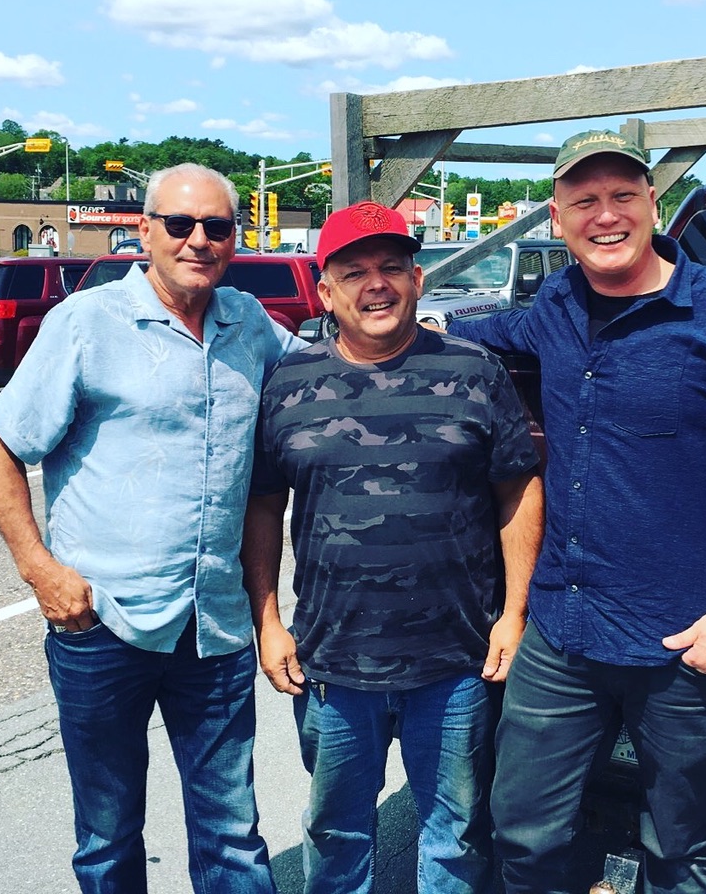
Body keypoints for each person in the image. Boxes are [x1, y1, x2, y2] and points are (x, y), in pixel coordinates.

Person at [449, 130, 706, 894]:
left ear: (652, 205)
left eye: (623, 196)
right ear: (556, 219)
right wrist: (421, 333)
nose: (606, 215)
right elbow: (498, 330)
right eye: (584, 201)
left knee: (684, 847)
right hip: (563, 632)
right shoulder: (557, 303)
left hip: (687, 646)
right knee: (522, 830)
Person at [0, 163, 303, 894]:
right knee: (108, 835)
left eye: (216, 227)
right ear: (146, 232)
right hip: (102, 622)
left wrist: (423, 340)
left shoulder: (250, 325)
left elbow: (325, 383)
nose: (198, 241)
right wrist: (40, 570)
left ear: (234, 237)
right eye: (180, 224)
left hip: (212, 628)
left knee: (231, 833)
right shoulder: (86, 324)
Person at [244, 201, 544, 894]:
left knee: (455, 836)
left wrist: (515, 615)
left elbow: (517, 492)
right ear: (325, 290)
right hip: (333, 662)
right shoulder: (288, 385)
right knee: (337, 835)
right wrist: (266, 623)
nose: (375, 285)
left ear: (416, 279)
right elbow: (263, 505)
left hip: (456, 662)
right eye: (354, 272)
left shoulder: (473, 370)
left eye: (391, 268)